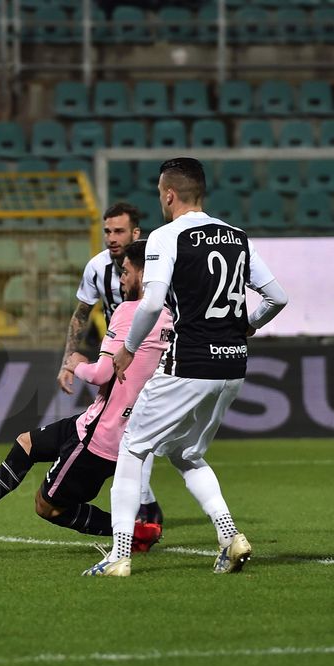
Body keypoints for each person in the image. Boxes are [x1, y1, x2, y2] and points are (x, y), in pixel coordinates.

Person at [86, 158, 288, 577]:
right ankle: (230, 535)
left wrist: (126, 348)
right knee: (187, 451)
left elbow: (153, 301)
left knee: (133, 447)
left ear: (169, 194)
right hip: (233, 365)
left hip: (189, 362)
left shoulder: (166, 236)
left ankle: (118, 555)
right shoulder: (238, 237)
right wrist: (246, 326)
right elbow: (277, 297)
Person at [0, 240, 168, 552]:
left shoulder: (129, 312)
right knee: (26, 443)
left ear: (143, 272)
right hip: (110, 425)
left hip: (100, 435)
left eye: (127, 272)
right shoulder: (167, 317)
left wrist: (78, 364)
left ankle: (135, 534)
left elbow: (102, 374)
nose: (122, 279)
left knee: (47, 507)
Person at [58, 201, 164, 530]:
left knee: (140, 435)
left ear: (135, 233)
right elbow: (81, 314)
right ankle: (143, 512)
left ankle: (140, 513)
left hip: (150, 359)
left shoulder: (158, 266)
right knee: (130, 434)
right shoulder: (96, 268)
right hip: (116, 359)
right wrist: (67, 362)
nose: (111, 237)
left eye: (119, 231)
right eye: (107, 231)